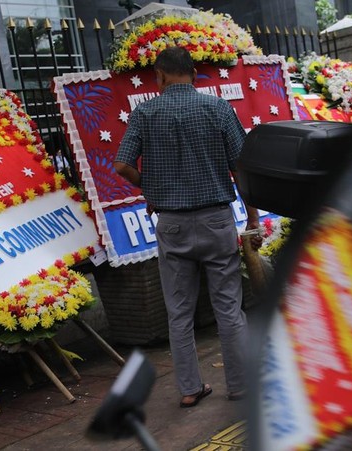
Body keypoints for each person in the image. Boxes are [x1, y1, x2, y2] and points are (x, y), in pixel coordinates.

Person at [114, 46, 262, 408]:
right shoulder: (218, 108)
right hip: (216, 221)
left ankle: (189, 389)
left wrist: (152, 188)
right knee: (229, 307)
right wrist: (253, 218)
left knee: (178, 313)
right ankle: (240, 384)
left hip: (172, 224)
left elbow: (122, 165)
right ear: (194, 74)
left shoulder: (145, 113)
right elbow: (242, 167)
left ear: (160, 77)